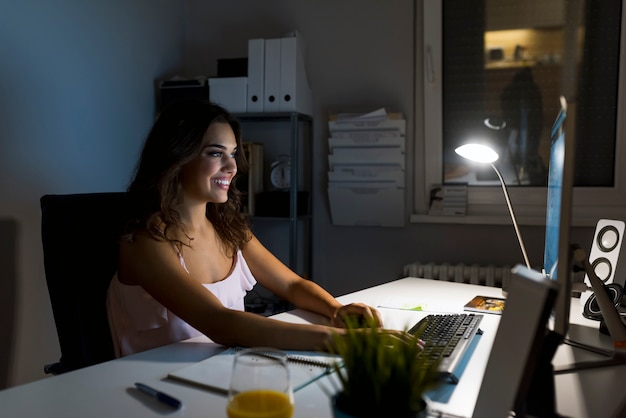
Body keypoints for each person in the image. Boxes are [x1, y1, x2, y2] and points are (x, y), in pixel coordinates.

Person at [106, 99, 384, 357]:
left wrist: (336, 310)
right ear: (177, 158)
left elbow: (292, 284)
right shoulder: (144, 243)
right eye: (216, 153)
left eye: (233, 154)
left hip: (217, 374)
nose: (232, 166)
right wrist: (339, 341)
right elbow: (220, 323)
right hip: (154, 394)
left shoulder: (228, 229)